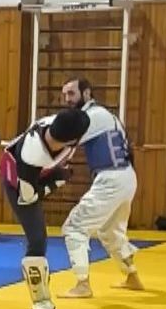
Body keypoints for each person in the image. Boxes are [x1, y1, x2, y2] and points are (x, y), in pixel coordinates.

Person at [0, 107, 91, 309]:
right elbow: (28, 196)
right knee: (37, 240)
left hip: (42, 169)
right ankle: (40, 299)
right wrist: (54, 183)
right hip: (18, 180)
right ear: (72, 140)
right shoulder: (32, 155)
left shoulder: (59, 126)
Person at [57, 77, 143, 297]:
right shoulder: (104, 115)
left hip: (112, 177)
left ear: (86, 93)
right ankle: (132, 276)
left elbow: (65, 142)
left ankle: (82, 284)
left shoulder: (92, 117)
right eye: (64, 94)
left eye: (71, 94)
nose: (67, 99)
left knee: (74, 226)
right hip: (125, 176)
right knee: (110, 231)